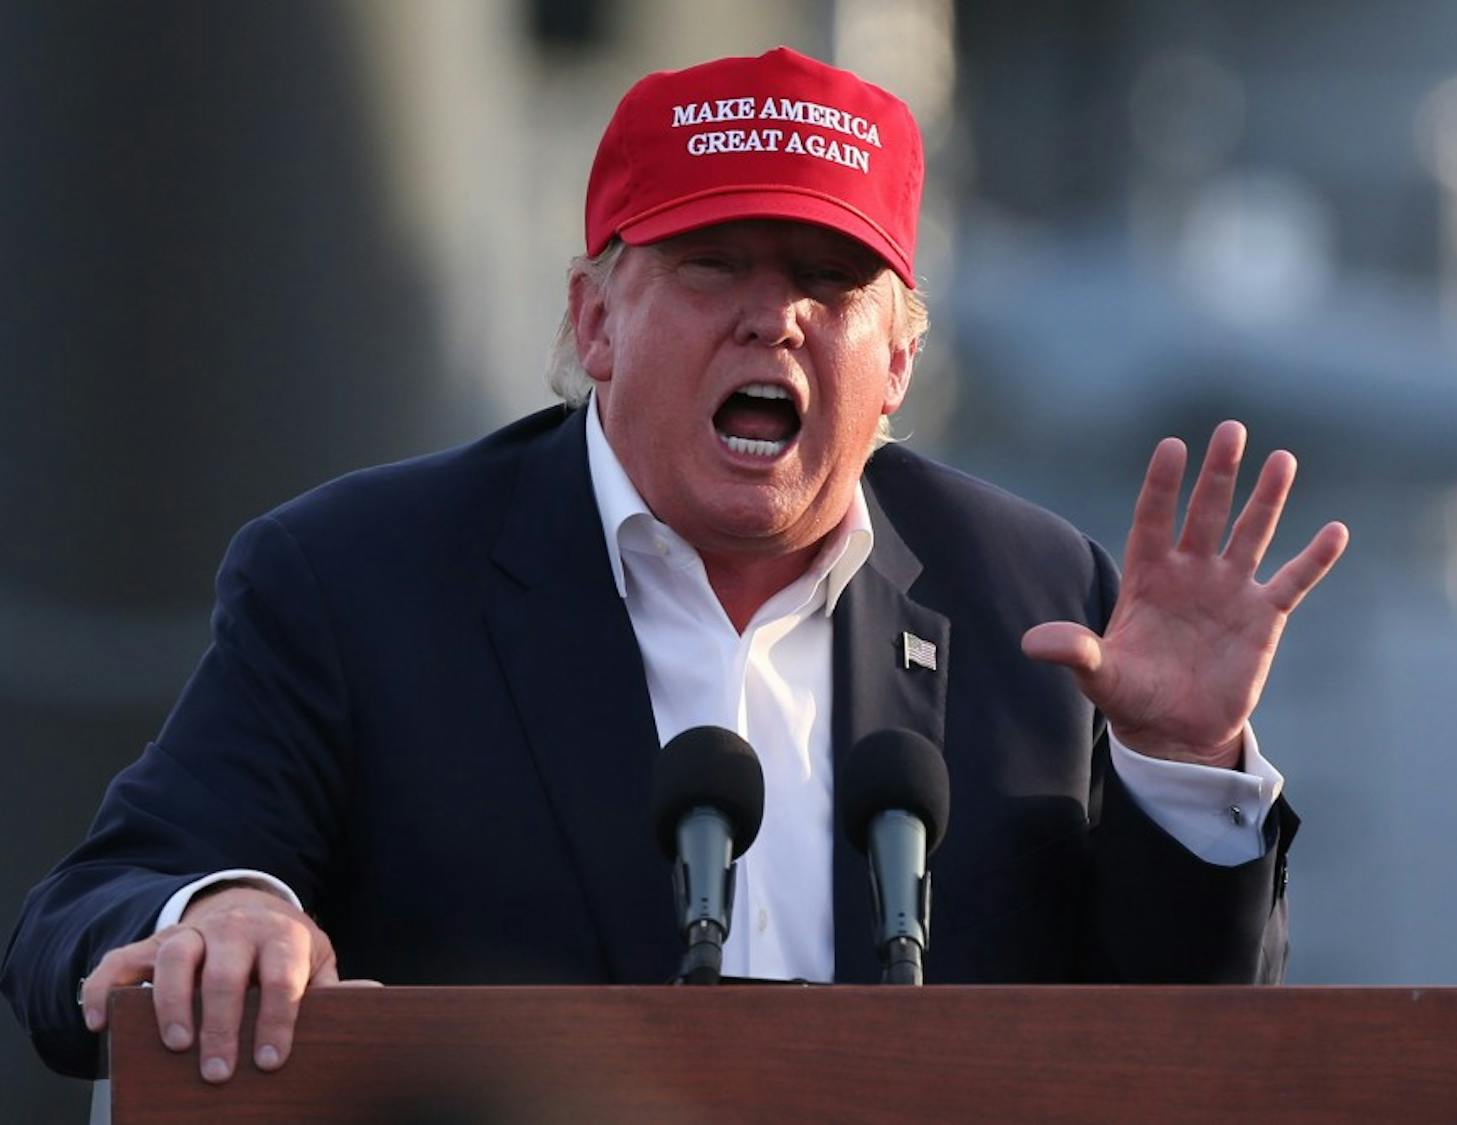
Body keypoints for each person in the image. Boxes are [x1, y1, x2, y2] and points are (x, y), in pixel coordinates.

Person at [2, 47, 1347, 1085]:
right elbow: (84, 914)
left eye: (830, 280)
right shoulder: (355, 581)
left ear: (900, 361)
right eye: (715, 267)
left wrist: (1181, 769)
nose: (775, 315)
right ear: (595, 317)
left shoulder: (1036, 601)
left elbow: (1186, 1052)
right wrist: (223, 906)